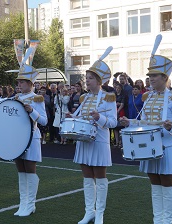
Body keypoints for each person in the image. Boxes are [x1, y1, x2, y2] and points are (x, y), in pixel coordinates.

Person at [120, 53, 172, 224]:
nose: (150, 79)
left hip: (168, 145)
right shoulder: (147, 97)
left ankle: (167, 221)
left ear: (164, 77)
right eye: (149, 76)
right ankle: (158, 220)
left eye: (154, 75)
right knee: (155, 183)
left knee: (167, 183)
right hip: (149, 145)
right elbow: (144, 121)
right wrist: (130, 122)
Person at [67, 47, 117, 224]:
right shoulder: (85, 98)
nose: (87, 81)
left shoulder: (109, 98)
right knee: (87, 177)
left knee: (100, 177)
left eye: (90, 78)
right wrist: (72, 118)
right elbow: (81, 118)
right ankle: (90, 211)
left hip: (99, 141)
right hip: (84, 141)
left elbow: (113, 122)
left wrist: (100, 117)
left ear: (99, 80)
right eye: (86, 78)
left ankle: (100, 213)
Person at [13, 48, 48, 217]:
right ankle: (22, 203)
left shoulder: (37, 98)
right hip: (18, 138)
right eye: (18, 82)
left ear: (31, 83)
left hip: (32, 137)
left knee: (30, 170)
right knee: (20, 170)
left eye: (22, 82)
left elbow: (44, 121)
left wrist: (32, 111)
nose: (19, 85)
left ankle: (30, 204)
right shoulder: (15, 98)